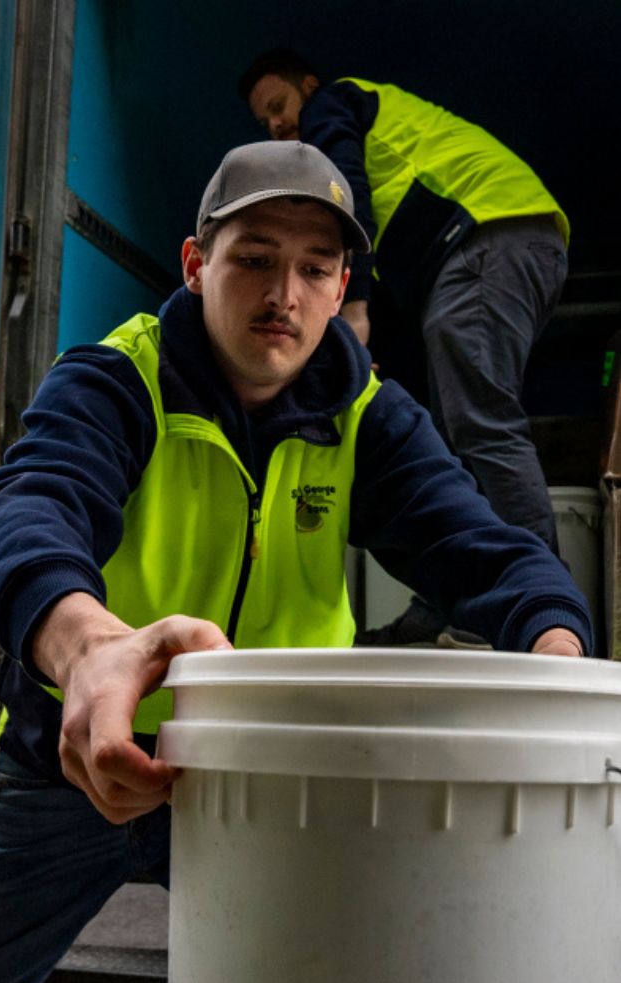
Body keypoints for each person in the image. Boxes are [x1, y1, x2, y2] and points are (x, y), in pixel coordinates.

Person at [0, 140, 591, 983]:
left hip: (261, 783)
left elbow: (487, 550)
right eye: (253, 257)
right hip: (77, 760)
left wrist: (559, 665)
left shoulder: (371, 416)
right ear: (195, 263)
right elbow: (27, 508)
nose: (282, 293)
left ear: (341, 292)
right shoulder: (115, 380)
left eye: (314, 268)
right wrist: (89, 651)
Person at [238, 50, 570, 644]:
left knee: (481, 422)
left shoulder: (334, 102)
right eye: (265, 122)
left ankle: (536, 600)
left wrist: (355, 306)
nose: (278, 126)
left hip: (490, 229)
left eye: (279, 107)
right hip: (488, 243)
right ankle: (447, 601)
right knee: (450, 428)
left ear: (307, 89)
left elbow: (345, 199)